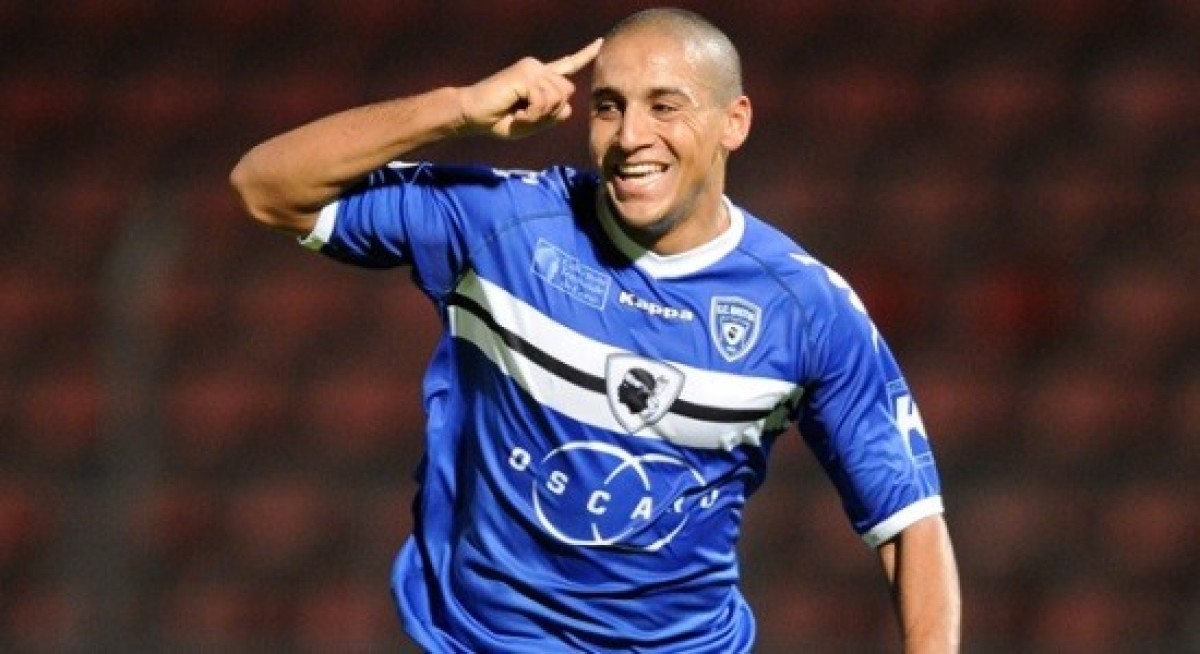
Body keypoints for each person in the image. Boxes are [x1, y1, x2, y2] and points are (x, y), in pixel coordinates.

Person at [231, 7, 960, 653]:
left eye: (665, 106)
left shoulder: (806, 310)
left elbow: (910, 524)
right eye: (609, 107)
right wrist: (457, 109)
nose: (631, 136)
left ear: (733, 121)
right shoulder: (500, 225)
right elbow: (265, 187)